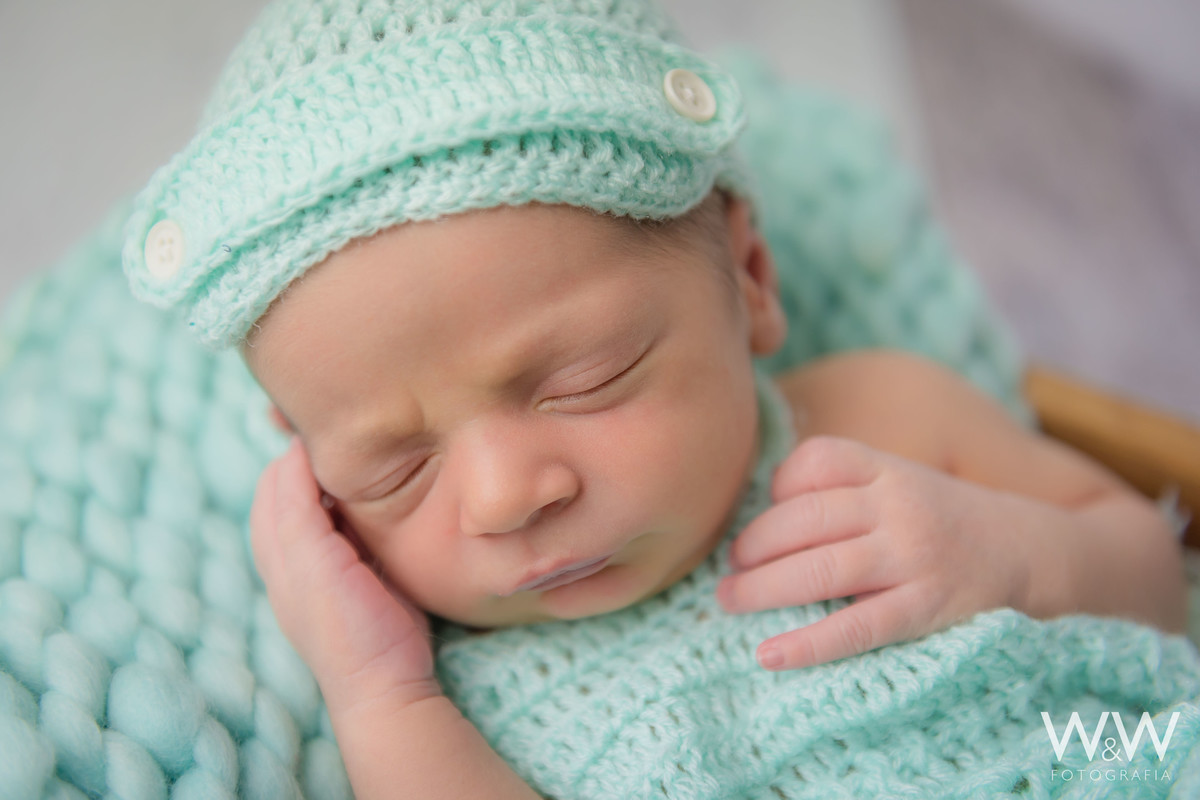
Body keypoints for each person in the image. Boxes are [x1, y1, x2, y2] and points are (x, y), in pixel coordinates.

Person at [122, 1, 1196, 797]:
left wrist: (1012, 553)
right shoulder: (445, 694)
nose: (506, 495)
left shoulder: (877, 418)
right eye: (391, 464)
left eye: (586, 379)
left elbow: (1157, 586)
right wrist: (377, 696)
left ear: (750, 280)